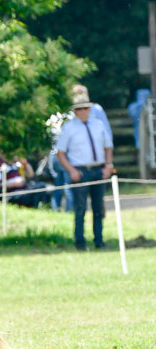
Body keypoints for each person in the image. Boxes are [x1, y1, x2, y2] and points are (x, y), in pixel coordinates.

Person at [56, 86, 114, 250]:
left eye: (85, 108)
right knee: (80, 208)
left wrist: (108, 165)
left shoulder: (98, 124)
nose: (82, 112)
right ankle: (80, 242)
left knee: (98, 207)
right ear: (75, 111)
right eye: (79, 109)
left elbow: (108, 147)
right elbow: (60, 153)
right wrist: (71, 170)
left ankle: (99, 240)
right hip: (80, 171)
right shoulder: (68, 128)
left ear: (89, 109)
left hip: (98, 169)